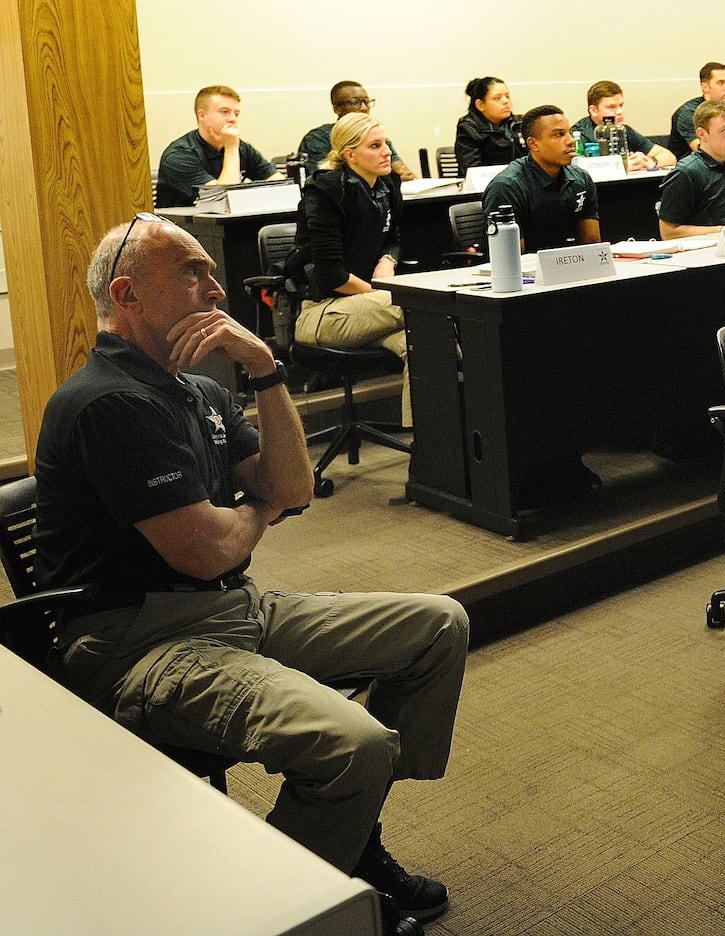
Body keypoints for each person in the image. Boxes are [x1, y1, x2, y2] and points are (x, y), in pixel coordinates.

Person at [34, 215, 469, 936]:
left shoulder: (195, 391)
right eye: (193, 273)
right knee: (353, 744)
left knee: (437, 626)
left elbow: (291, 487)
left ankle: (352, 834)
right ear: (128, 294)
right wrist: (259, 508)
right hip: (142, 644)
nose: (218, 286)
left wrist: (265, 368)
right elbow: (207, 550)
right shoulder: (108, 401)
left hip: (232, 610)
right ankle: (280, 910)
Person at [289, 113, 413, 426]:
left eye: (386, 143)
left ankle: (431, 453)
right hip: (322, 311)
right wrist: (380, 291)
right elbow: (331, 274)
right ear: (349, 154)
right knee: (422, 303)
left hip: (369, 311)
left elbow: (394, 238)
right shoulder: (327, 191)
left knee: (428, 344)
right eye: (376, 146)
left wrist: (388, 260)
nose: (387, 152)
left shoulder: (386, 186)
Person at [481, 105, 601, 252]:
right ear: (533, 144)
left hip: (569, 267)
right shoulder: (507, 187)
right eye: (559, 134)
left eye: (569, 133)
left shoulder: (581, 179)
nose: (570, 141)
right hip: (527, 269)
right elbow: (512, 259)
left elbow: (592, 247)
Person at [155, 85, 281, 208]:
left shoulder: (242, 148)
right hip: (185, 226)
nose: (233, 119)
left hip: (227, 225)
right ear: (202, 115)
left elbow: (280, 184)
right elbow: (222, 201)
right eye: (224, 112)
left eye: (236, 113)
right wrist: (231, 149)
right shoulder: (179, 155)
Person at [657, 100, 725, 239]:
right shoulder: (685, 173)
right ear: (702, 134)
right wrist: (722, 231)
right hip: (703, 251)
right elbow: (669, 232)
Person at [297, 80, 416, 182]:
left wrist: (403, 176)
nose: (364, 107)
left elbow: (404, 172)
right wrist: (390, 179)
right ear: (337, 109)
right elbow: (325, 180)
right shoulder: (318, 138)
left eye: (366, 101)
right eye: (355, 103)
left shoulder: (374, 134)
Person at [571, 80, 676, 172]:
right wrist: (621, 166)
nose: (619, 112)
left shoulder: (623, 130)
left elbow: (669, 157)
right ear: (593, 110)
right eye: (611, 107)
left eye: (621, 105)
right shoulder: (579, 134)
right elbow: (576, 169)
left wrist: (649, 161)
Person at [667, 62, 725, 160]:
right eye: (721, 83)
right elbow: (706, 152)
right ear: (705, 87)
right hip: (694, 170)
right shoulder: (689, 113)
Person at [454, 76, 520, 173]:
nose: (506, 101)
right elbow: (473, 170)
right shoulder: (469, 128)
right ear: (480, 105)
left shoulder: (518, 124)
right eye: (497, 98)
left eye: (507, 96)